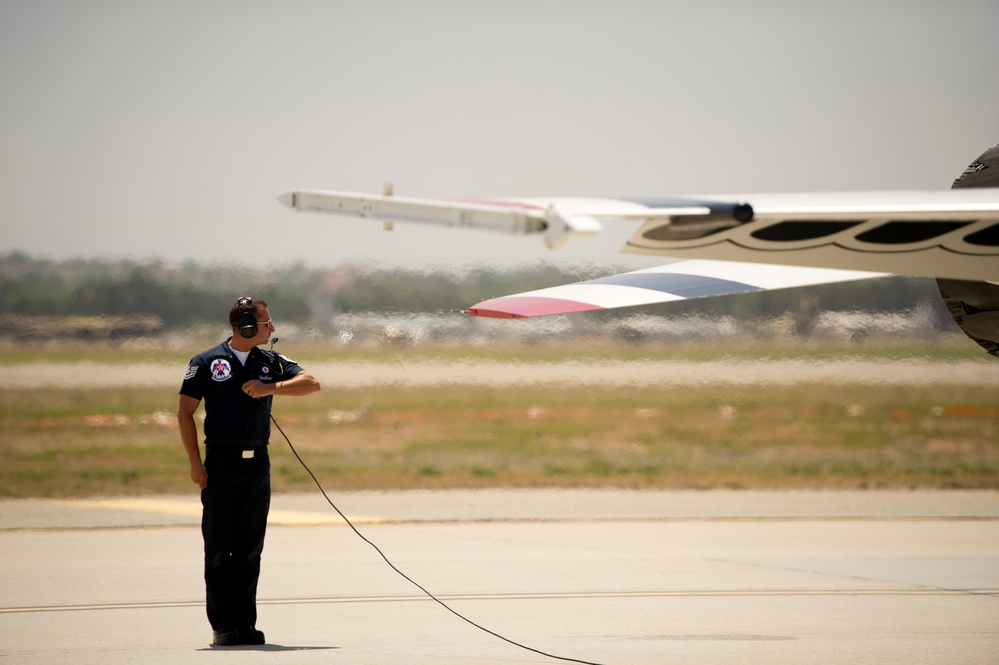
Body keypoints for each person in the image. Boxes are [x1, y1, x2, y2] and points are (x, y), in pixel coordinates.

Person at [177, 297, 321, 646]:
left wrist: (270, 388)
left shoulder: (269, 362)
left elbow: (312, 382)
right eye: (265, 323)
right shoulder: (207, 362)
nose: (272, 329)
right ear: (244, 326)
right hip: (221, 465)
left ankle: (245, 623)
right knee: (219, 549)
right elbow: (184, 413)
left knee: (249, 550)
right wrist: (196, 465)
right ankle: (222, 625)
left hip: (257, 464)